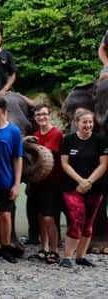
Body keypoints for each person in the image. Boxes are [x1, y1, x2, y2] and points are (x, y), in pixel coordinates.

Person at [59, 108, 108, 268]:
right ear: (76, 123)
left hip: (95, 187)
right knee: (77, 219)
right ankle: (67, 257)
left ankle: (80, 256)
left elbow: (104, 164)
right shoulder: (68, 140)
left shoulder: (100, 140)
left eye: (90, 122)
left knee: (88, 223)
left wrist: (89, 182)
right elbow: (64, 163)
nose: (88, 125)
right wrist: (80, 181)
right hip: (72, 187)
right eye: (84, 122)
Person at [0, 96, 23, 263]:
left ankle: (6, 248)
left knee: (5, 216)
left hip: (5, 181)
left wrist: (16, 184)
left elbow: (17, 158)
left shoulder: (13, 131)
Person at [31, 104, 64, 264]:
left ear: (50, 115)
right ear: (35, 118)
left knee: (49, 218)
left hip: (53, 183)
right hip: (38, 182)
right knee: (40, 216)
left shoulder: (56, 134)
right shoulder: (35, 134)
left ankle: (54, 250)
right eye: (38, 115)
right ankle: (43, 248)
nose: (41, 117)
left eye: (44, 114)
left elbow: (47, 152)